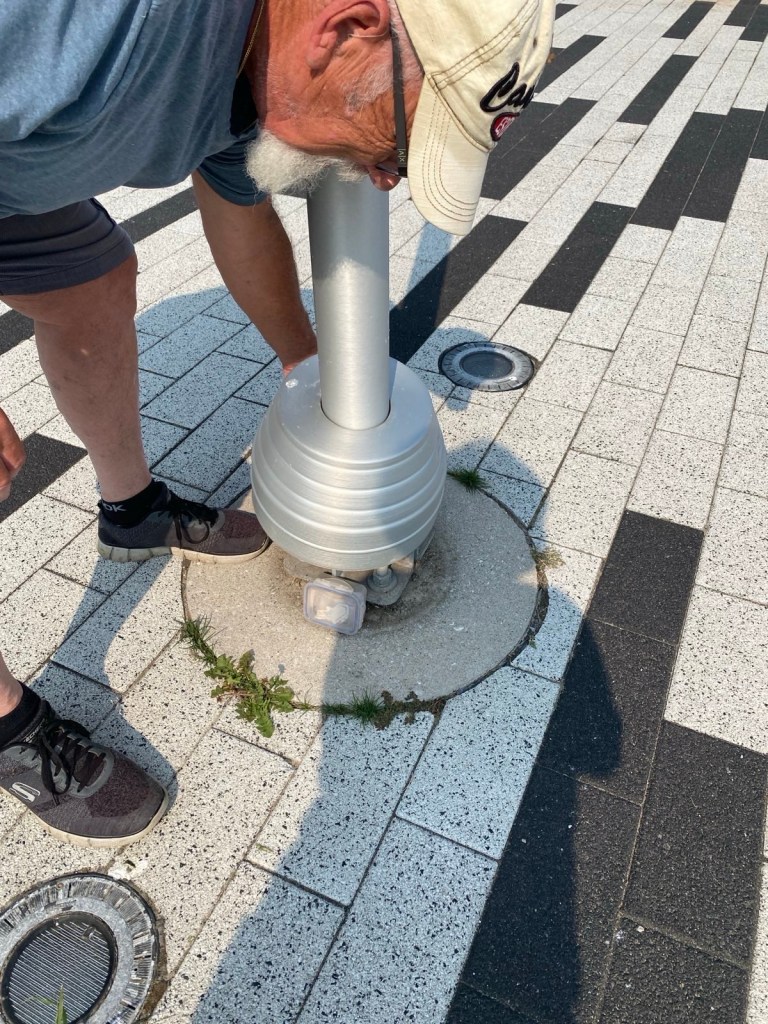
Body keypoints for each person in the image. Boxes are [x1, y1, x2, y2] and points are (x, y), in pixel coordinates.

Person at [0, 0, 554, 847]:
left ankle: (132, 511)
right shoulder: (94, 19)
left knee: (92, 288)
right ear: (346, 29)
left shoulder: (256, 60)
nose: (383, 181)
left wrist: (307, 366)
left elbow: (238, 208)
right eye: (395, 147)